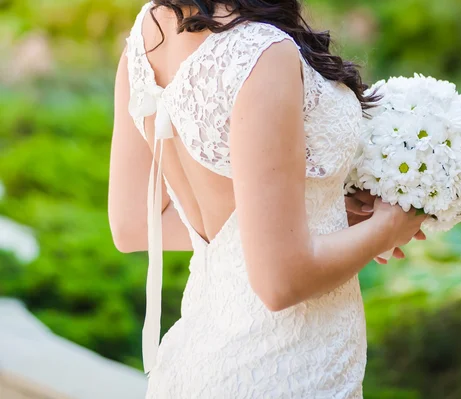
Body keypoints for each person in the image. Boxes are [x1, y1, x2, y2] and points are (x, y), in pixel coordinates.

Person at [108, 1, 426, 397]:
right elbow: (280, 281)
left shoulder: (148, 34)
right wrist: (389, 226)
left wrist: (313, 212)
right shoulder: (262, 50)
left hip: (199, 360)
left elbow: (134, 225)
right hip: (285, 366)